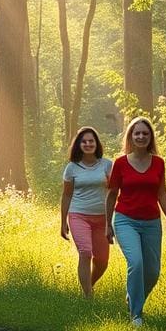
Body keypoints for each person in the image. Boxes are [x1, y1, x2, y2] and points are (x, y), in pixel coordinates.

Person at [106, 117, 166, 326]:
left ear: (150, 137)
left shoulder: (159, 163)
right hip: (125, 220)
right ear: (130, 136)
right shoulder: (120, 163)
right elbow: (111, 195)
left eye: (145, 133)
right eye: (137, 133)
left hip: (152, 222)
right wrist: (107, 224)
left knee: (152, 271)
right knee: (135, 262)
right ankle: (136, 314)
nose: (141, 137)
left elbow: (162, 193)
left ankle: (133, 297)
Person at [60, 126, 114, 297]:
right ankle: (88, 297)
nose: (88, 144)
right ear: (79, 145)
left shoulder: (107, 165)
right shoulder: (72, 168)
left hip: (102, 218)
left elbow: (114, 192)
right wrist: (63, 222)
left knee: (102, 260)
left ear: (97, 144)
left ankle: (88, 286)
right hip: (78, 215)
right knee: (85, 252)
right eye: (84, 141)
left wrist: (113, 219)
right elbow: (67, 195)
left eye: (91, 141)